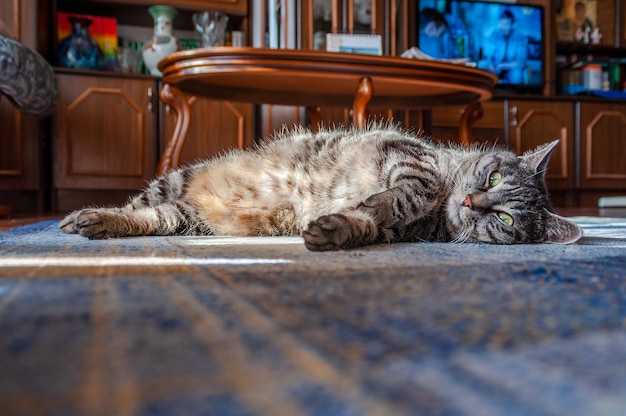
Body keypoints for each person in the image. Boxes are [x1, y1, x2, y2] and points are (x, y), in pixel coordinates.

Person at [479, 10, 528, 84]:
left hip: (511, 68)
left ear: (512, 24)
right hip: (495, 66)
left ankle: (513, 94)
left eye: (506, 24)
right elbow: (487, 55)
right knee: (481, 64)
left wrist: (502, 66)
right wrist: (490, 64)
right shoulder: (494, 34)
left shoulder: (520, 37)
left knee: (516, 74)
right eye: (501, 24)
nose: (503, 27)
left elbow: (520, 62)